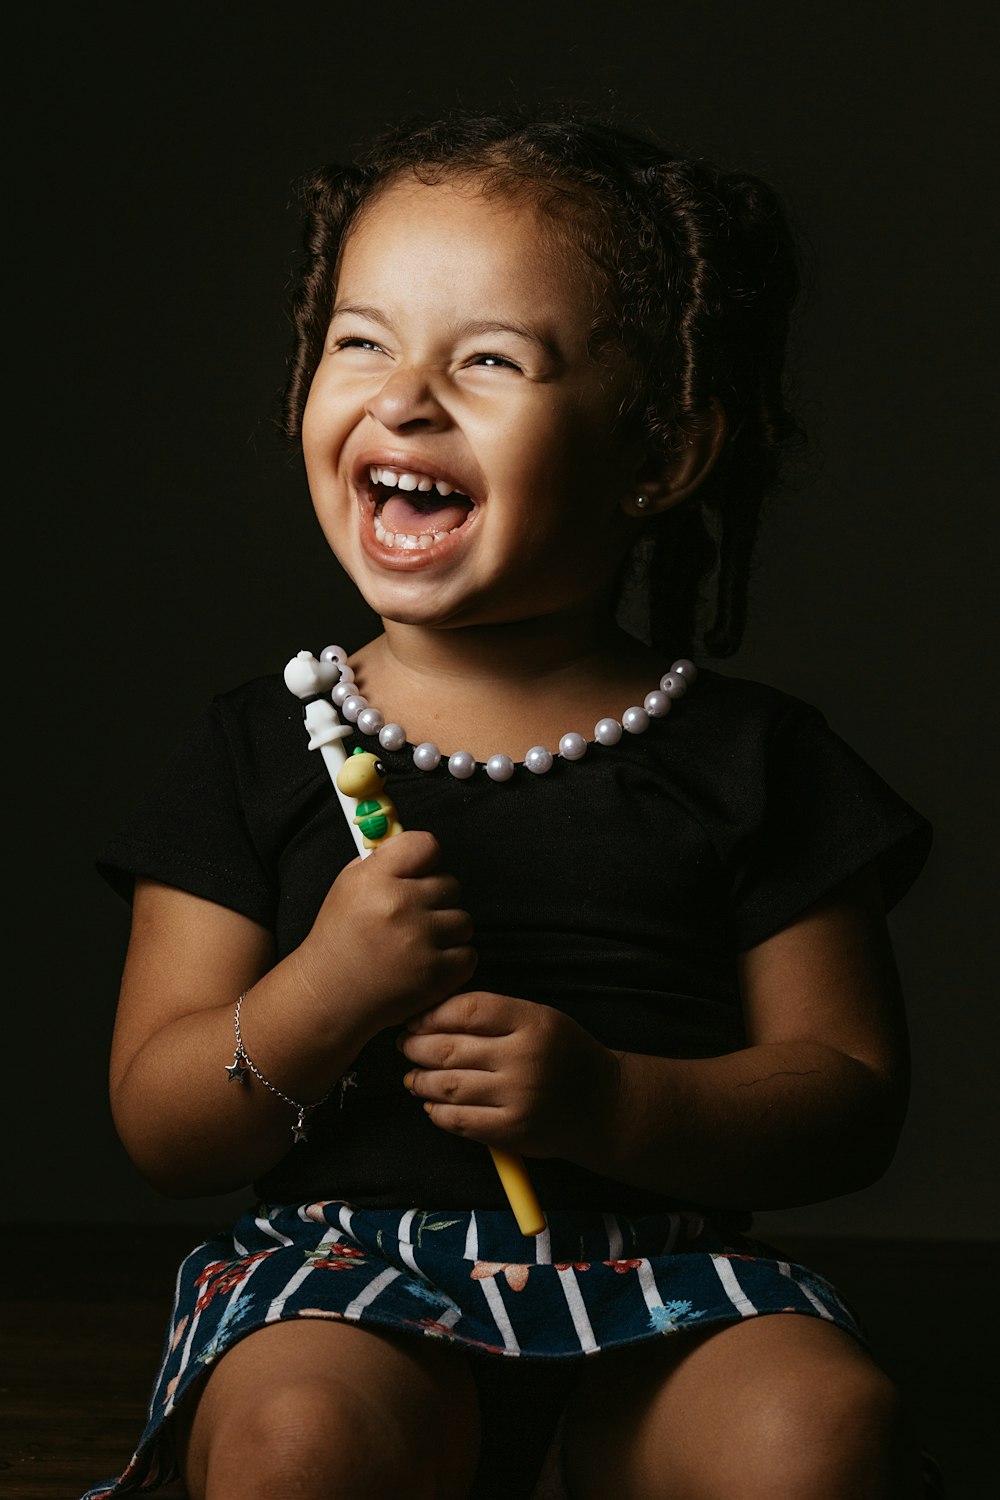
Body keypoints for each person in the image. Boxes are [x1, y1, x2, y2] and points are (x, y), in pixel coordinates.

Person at [84, 108, 937, 1500]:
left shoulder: (753, 756)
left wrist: (615, 1103)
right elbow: (165, 1127)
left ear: (661, 454)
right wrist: (327, 991)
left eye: (488, 360)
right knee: (296, 1439)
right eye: (360, 342)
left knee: (814, 1433)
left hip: (664, 1282)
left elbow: (846, 1103)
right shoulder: (262, 744)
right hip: (347, 1287)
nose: (405, 396)